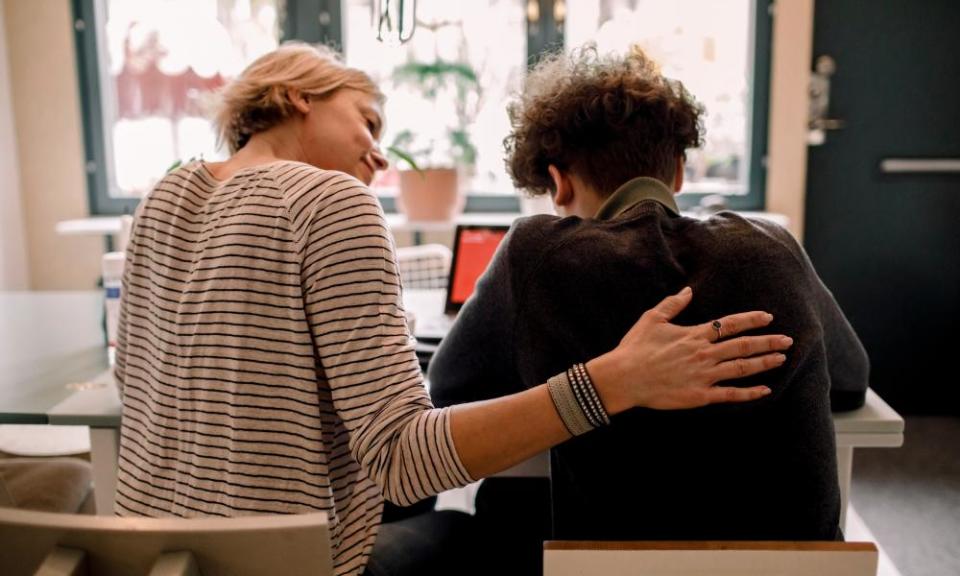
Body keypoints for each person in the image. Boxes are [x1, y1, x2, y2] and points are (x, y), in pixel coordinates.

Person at [113, 43, 793, 576]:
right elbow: (406, 460)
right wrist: (616, 380)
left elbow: (138, 386)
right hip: (292, 566)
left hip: (157, 560)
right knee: (483, 533)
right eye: (368, 122)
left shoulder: (160, 200)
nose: (378, 158)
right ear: (298, 96)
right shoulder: (332, 201)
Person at [429, 45, 869, 572]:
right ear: (678, 173)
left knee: (505, 507)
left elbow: (449, 390)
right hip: (792, 574)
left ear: (559, 182)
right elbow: (849, 379)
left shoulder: (538, 252)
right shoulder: (771, 246)